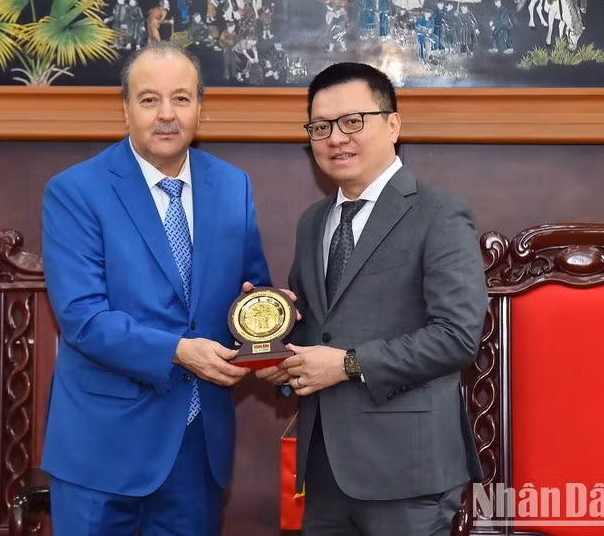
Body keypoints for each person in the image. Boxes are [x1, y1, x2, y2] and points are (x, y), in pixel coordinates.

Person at [40, 41, 271, 535]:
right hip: (102, 447)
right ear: (125, 108)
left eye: (181, 99)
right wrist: (178, 351)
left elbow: (252, 290)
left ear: (200, 108)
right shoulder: (76, 191)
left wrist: (268, 316)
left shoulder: (233, 186)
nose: (167, 114)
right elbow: (83, 318)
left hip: (197, 445)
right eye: (149, 100)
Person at [257, 62, 487, 535]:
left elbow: (458, 337)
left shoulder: (439, 213)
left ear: (393, 124)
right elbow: (317, 330)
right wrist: (274, 343)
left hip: (408, 473)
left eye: (352, 121)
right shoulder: (312, 221)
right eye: (321, 127)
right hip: (322, 472)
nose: (336, 138)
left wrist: (346, 364)